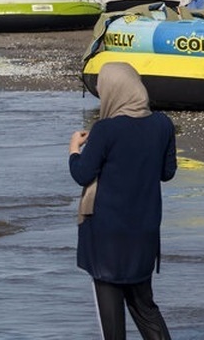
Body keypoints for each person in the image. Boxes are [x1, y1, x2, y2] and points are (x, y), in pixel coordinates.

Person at [69, 62, 176, 340]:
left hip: (107, 239)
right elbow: (168, 172)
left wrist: (74, 149)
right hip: (145, 233)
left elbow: (82, 174)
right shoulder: (162, 124)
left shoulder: (106, 130)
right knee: (145, 309)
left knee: (112, 325)